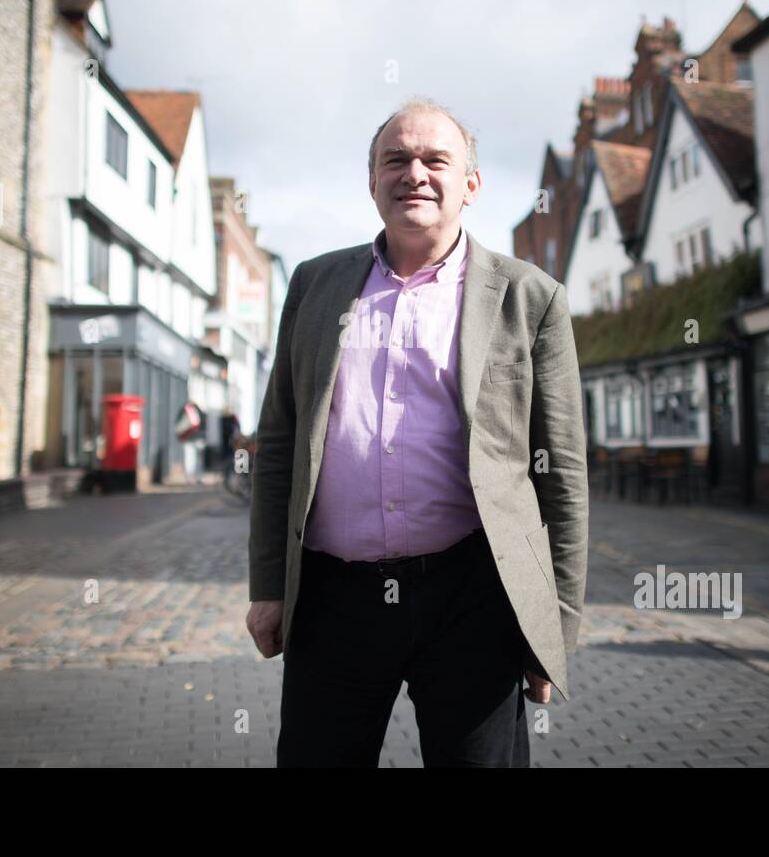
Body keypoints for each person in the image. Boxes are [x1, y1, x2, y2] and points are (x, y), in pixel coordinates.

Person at [246, 96, 588, 767]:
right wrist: (267, 586)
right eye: (395, 159)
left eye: (437, 159)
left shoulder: (530, 297)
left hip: (473, 596)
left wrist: (555, 627)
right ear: (371, 179)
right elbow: (279, 440)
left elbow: (561, 470)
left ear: (471, 184)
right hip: (332, 601)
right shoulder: (315, 285)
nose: (415, 174)